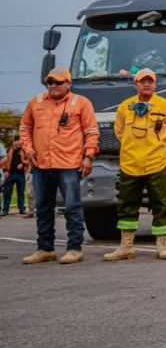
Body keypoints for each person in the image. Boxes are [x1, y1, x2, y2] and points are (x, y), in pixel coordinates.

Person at [20, 67, 99, 264]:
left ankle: (74, 248)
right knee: (43, 207)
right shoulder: (36, 102)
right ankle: (45, 249)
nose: (53, 86)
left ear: (68, 84)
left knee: (72, 206)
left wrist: (89, 156)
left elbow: (91, 132)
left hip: (69, 164)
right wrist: (28, 150)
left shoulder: (81, 103)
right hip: (41, 165)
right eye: (50, 82)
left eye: (58, 82)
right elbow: (24, 129)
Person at [104, 69, 166, 261]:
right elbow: (119, 132)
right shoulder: (124, 107)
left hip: (156, 164)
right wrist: (132, 148)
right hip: (130, 164)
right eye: (142, 81)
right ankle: (126, 246)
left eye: (150, 81)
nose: (146, 84)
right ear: (135, 84)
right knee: (126, 205)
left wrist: (161, 148)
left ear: (155, 85)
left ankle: (162, 246)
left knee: (161, 205)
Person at [2, 137, 26, 216]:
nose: (18, 143)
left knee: (21, 193)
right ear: (13, 142)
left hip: (21, 175)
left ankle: (22, 209)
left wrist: (23, 164)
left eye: (20, 141)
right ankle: (5, 209)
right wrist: (5, 171)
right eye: (17, 141)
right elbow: (4, 160)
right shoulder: (8, 150)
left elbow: (28, 159)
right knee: (7, 193)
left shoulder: (23, 151)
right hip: (10, 174)